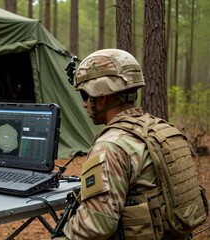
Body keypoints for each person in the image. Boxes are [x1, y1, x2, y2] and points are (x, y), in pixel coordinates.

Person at [55, 49, 207, 239]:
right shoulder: (162, 130)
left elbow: (97, 224)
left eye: (85, 95)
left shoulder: (111, 146)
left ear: (102, 96)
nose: (84, 104)